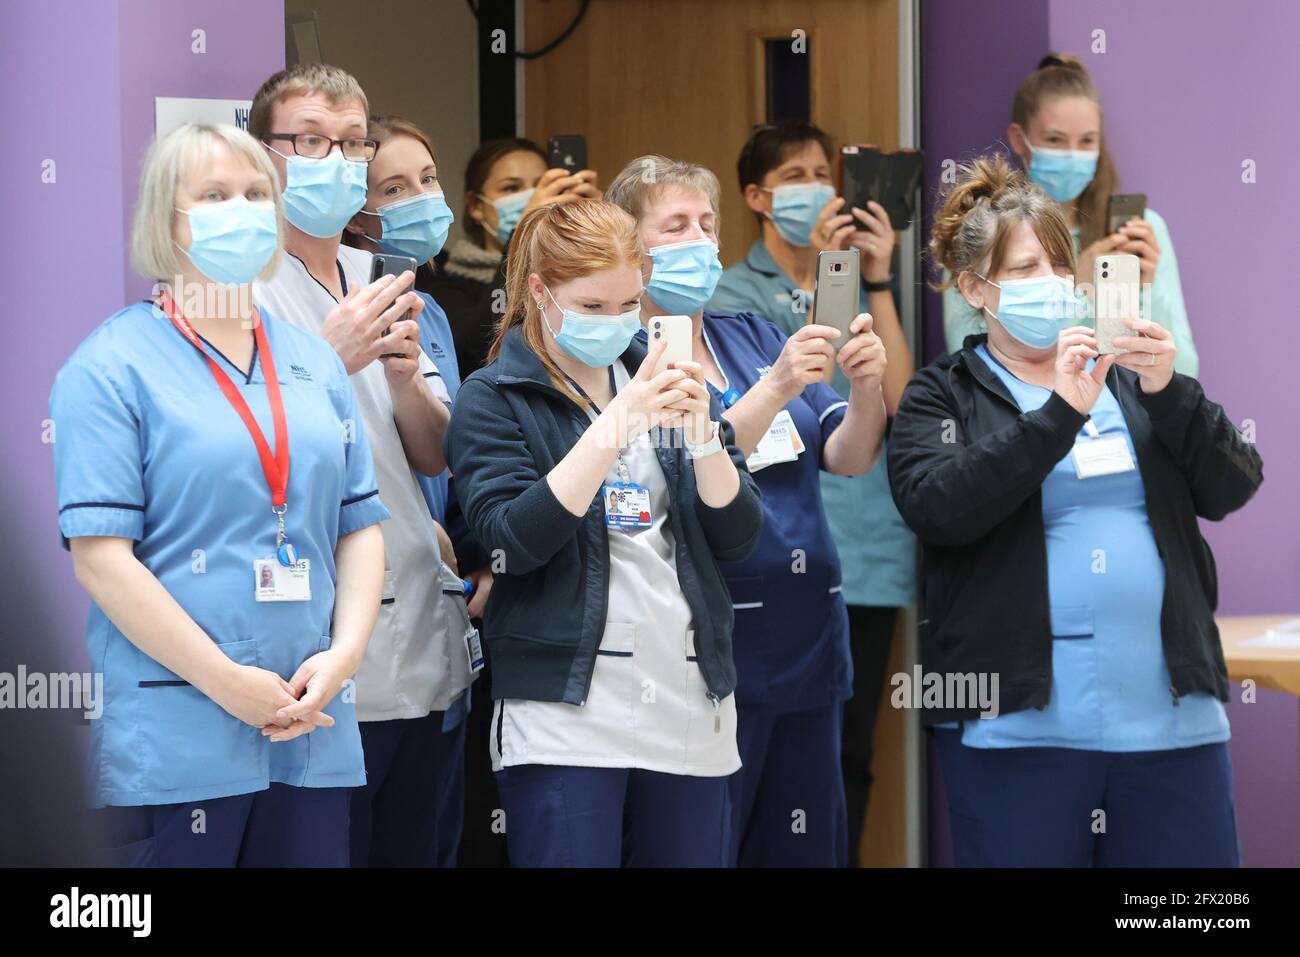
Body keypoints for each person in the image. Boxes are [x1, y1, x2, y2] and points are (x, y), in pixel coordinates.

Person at [889, 155, 1263, 866]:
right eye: (1027, 269)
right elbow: (937, 507)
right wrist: (1059, 413)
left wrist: (1172, 390)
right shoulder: (943, 394)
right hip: (1016, 729)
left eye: (1061, 266)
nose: (1054, 284)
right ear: (975, 287)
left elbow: (1233, 485)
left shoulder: (1130, 380)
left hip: (1170, 721)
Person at [50, 123, 388, 867]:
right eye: (213, 195)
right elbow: (103, 560)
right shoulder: (111, 367)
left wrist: (346, 654)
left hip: (311, 720)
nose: (241, 209)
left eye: (256, 194)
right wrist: (224, 681)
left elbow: (359, 524)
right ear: (166, 221)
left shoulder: (313, 363)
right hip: (178, 735)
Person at [444, 199, 764, 867]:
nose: (614, 324)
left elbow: (738, 538)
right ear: (539, 290)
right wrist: (614, 424)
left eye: (627, 304)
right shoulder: (495, 395)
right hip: (567, 712)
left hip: (686, 696)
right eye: (591, 307)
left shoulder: (666, 372)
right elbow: (512, 543)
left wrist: (705, 435)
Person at [607, 155, 889, 866]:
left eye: (707, 223)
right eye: (676, 225)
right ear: (628, 245)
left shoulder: (753, 334)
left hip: (806, 641)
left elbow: (848, 457)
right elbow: (694, 473)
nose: (701, 239)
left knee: (802, 846)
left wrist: (865, 390)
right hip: (700, 646)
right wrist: (776, 386)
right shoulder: (623, 360)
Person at [248, 63, 468, 868]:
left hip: (418, 637)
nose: (335, 160)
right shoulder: (235, 292)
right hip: (309, 648)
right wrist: (326, 362)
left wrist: (409, 383)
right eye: (310, 140)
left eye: (350, 144)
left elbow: (436, 451)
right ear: (263, 152)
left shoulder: (386, 279)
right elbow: (233, 460)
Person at [707, 120, 915, 862]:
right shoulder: (728, 295)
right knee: (742, 769)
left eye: (824, 173)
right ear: (757, 197)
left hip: (861, 548)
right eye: (795, 176)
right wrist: (822, 278)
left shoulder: (857, 279)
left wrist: (874, 279)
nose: (817, 188)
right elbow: (792, 392)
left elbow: (898, 404)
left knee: (843, 756)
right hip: (764, 556)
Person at [340, 112, 478, 867]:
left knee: (428, 840)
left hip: (432, 609)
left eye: (428, 180)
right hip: (352, 629)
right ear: (358, 214)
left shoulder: (432, 320)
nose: (422, 198)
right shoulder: (329, 311)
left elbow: (438, 458)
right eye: (394, 187)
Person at [943, 53, 1199, 376]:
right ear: (1019, 139)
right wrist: (1076, 284)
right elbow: (969, 364)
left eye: (1086, 141)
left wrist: (1147, 288)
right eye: (1055, 140)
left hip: (1123, 421)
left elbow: (1185, 373)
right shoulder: (983, 233)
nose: (1072, 155)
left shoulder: (1145, 229)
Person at [420, 137, 601, 375]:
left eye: (540, 187)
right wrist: (524, 234)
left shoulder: (564, 279)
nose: (533, 199)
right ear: (475, 205)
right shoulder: (445, 288)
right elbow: (482, 346)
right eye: (511, 188)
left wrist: (597, 232)